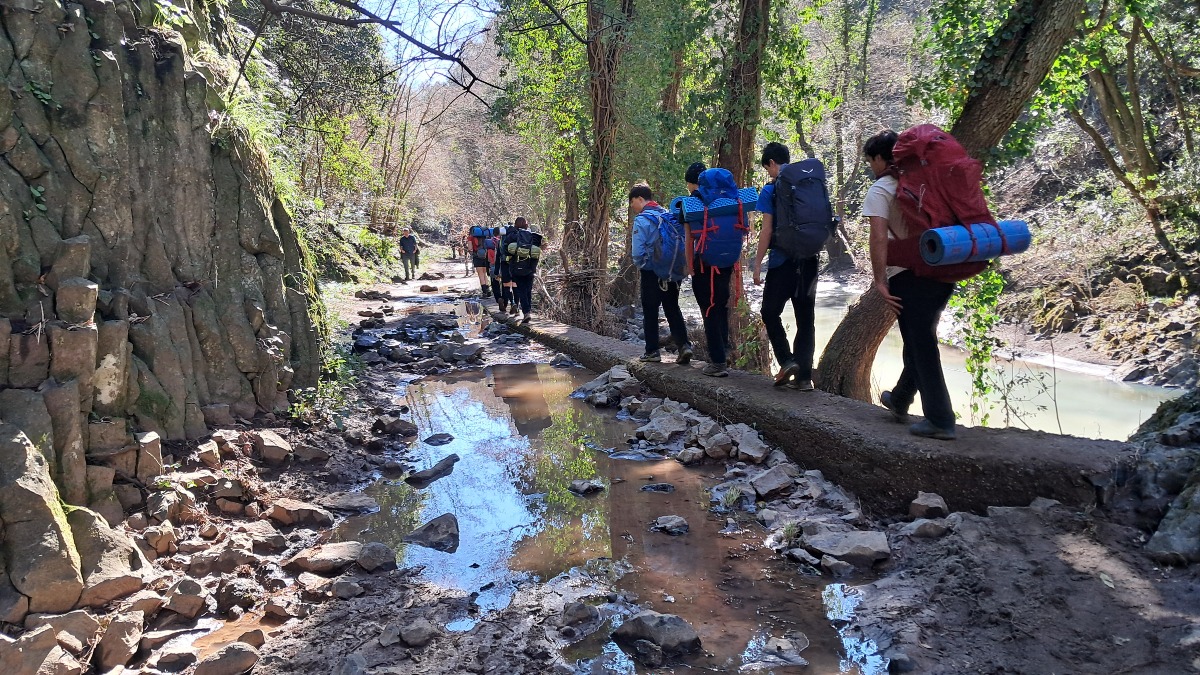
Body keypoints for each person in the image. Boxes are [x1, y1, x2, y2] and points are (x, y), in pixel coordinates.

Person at [863, 130, 957, 440]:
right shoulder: (927, 181)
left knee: (921, 344)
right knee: (918, 338)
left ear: (880, 158)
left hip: (908, 274)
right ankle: (901, 398)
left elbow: (878, 237)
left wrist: (879, 279)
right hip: (945, 267)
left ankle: (940, 419)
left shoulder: (881, 189)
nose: (871, 167)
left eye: (871, 161)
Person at [753, 142, 818, 391]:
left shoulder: (772, 189)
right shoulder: (809, 184)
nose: (769, 173)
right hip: (810, 260)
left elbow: (767, 230)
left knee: (769, 312)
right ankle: (804, 379)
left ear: (771, 163)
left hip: (783, 261)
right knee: (805, 319)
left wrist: (757, 264)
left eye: (767, 168)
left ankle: (787, 360)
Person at [681, 162, 737, 378]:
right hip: (727, 261)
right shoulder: (729, 198)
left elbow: (689, 239)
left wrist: (690, 267)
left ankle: (717, 362)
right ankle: (725, 350)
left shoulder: (692, 203)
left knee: (708, 309)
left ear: (691, 182)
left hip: (704, 263)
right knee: (720, 305)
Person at [629, 183, 693, 364]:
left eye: (632, 202)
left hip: (651, 271)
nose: (632, 207)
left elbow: (637, 251)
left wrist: (643, 264)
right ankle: (684, 346)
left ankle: (652, 351)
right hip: (672, 269)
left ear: (640, 199)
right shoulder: (668, 214)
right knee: (672, 307)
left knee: (650, 309)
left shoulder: (642, 219)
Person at [502, 217, 539, 323]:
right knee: (528, 290)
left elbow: (505, 251)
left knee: (521, 290)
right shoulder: (531, 235)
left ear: (516, 224)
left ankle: (526, 312)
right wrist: (533, 267)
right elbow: (536, 253)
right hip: (530, 268)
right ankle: (528, 311)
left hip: (516, 268)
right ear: (526, 225)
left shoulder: (512, 236)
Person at [490, 227, 512, 312]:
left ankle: (498, 298)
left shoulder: (490, 241)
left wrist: (495, 270)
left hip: (494, 265)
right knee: (505, 285)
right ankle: (505, 303)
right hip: (505, 265)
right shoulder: (505, 240)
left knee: (495, 284)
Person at [468, 226, 492, 297]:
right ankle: (488, 290)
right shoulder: (484, 236)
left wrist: (471, 253)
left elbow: (470, 248)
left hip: (477, 256)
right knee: (484, 273)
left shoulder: (470, 237)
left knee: (481, 274)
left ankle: (484, 292)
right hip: (486, 256)